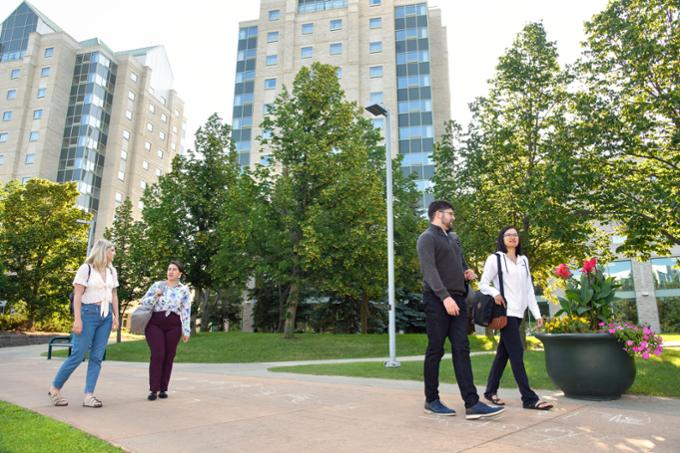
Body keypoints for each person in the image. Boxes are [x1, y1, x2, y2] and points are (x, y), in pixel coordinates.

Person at [416, 200, 505, 420]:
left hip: (458, 299)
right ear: (438, 214)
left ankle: (472, 403)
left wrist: (466, 272)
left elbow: (460, 263)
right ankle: (432, 399)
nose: (453, 217)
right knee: (435, 349)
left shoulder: (454, 238)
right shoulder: (426, 238)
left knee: (462, 349)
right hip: (437, 300)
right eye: (450, 214)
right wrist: (444, 297)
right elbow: (430, 271)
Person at [479, 226, 553, 410]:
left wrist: (536, 314)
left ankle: (490, 391)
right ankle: (529, 398)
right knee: (517, 353)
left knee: (503, 354)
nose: (512, 237)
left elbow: (528, 289)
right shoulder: (495, 258)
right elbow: (483, 284)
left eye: (515, 235)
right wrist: (495, 293)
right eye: (508, 235)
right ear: (502, 238)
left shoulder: (524, 260)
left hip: (519, 313)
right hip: (506, 313)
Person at [48, 239, 119, 408]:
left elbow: (114, 294)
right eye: (112, 250)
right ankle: (55, 389)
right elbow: (78, 296)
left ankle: (89, 395)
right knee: (78, 355)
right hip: (88, 315)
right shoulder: (85, 269)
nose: (114, 253)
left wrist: (116, 316)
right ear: (103, 251)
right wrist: (77, 319)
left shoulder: (112, 271)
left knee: (96, 357)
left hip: (106, 316)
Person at [140, 261, 191, 401]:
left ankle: (163, 388)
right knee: (158, 354)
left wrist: (186, 330)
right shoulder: (157, 285)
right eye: (169, 269)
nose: (171, 271)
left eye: (174, 269)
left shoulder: (184, 290)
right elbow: (143, 301)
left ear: (180, 273)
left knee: (169, 356)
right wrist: (156, 295)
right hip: (155, 323)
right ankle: (153, 389)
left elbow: (186, 311)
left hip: (174, 324)